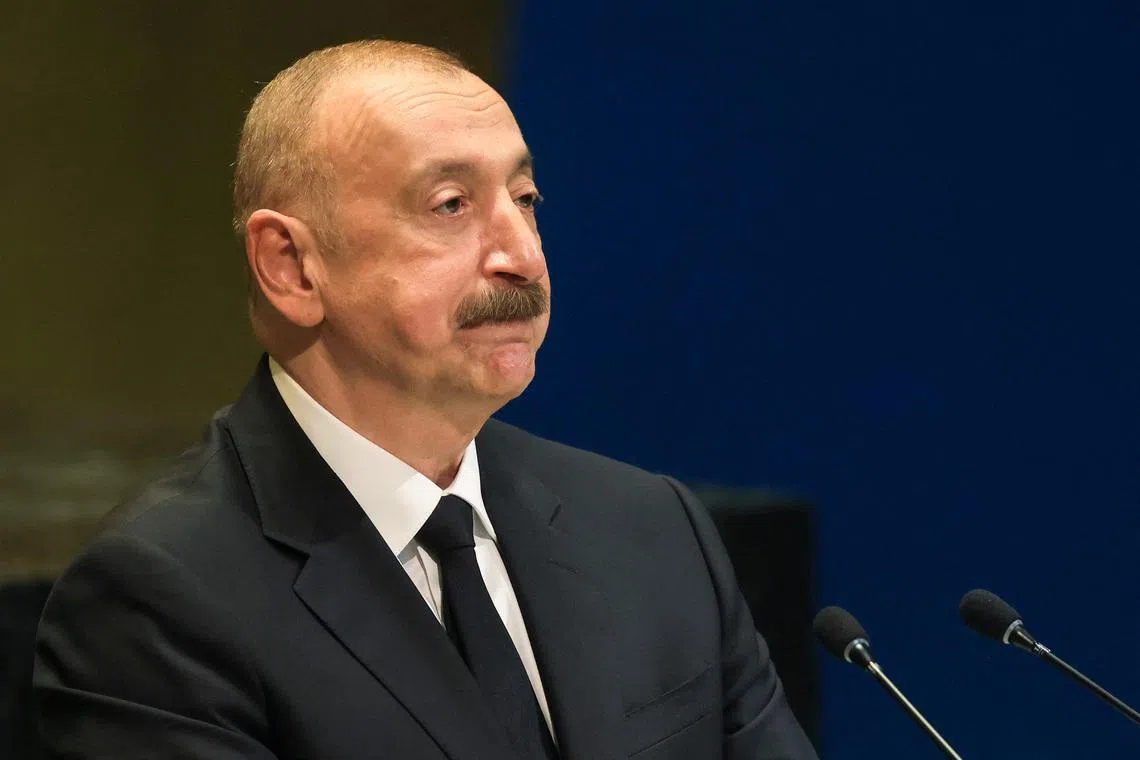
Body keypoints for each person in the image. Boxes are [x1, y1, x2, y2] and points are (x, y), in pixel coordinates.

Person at [33, 40, 818, 760]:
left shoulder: (653, 527)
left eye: (527, 198)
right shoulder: (160, 602)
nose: (522, 256)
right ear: (292, 267)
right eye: (451, 205)